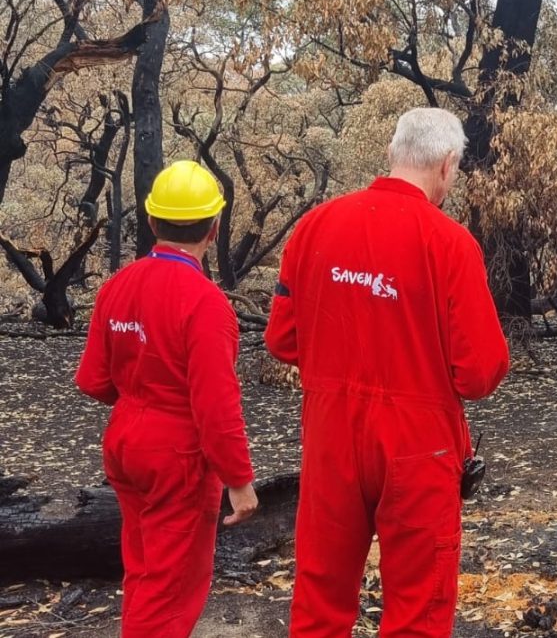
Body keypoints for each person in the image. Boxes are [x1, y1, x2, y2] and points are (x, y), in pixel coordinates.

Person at [265, 107, 509, 637]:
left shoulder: (314, 228)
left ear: (392, 154)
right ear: (447, 166)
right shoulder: (450, 245)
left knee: (319, 599)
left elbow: (282, 340)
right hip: (419, 445)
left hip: (330, 435)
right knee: (419, 609)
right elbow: (481, 373)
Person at [75, 160, 258, 637]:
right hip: (177, 456)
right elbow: (216, 406)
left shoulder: (117, 286)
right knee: (172, 589)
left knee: (143, 569)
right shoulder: (205, 303)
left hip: (125, 445)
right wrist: (239, 480)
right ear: (215, 229)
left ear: (152, 222)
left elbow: (94, 382)